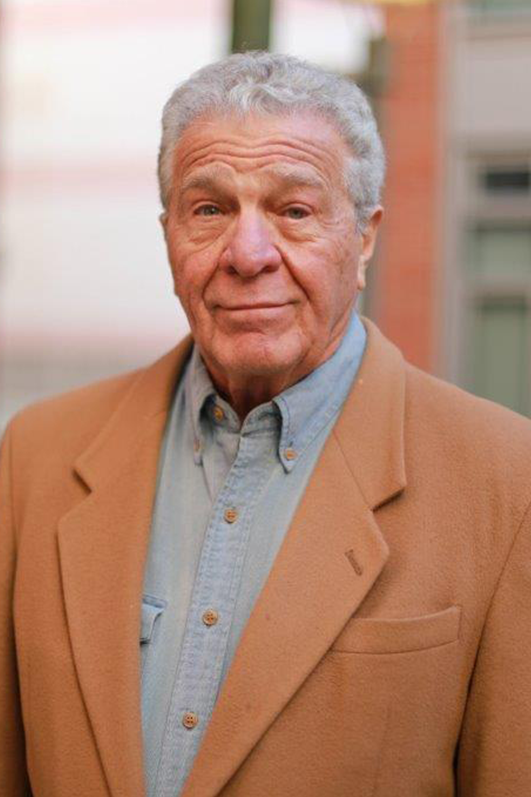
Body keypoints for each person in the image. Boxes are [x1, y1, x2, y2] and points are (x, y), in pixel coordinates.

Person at [1, 52, 531, 797]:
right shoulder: (36, 456)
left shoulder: (506, 483)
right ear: (168, 235)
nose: (248, 255)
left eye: (293, 211)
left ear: (366, 236)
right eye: (209, 209)